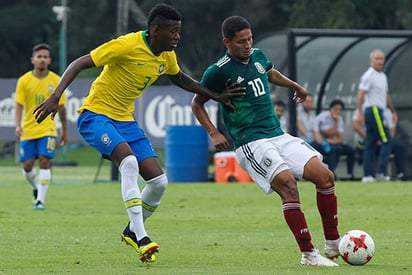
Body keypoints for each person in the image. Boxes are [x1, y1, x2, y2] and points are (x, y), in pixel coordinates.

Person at [33, 4, 244, 263]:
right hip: (95, 116)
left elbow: (181, 79)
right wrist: (56, 96)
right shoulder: (126, 45)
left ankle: (131, 230)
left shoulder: (166, 55)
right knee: (129, 162)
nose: (178, 37)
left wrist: (216, 96)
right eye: (173, 31)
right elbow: (79, 63)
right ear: (156, 30)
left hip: (125, 121)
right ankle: (142, 237)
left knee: (159, 183)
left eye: (179, 31)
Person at [191, 15, 340, 267]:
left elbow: (269, 73)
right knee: (288, 186)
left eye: (249, 39)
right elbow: (197, 103)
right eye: (241, 41)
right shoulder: (217, 71)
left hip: (277, 134)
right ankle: (309, 255)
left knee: (325, 175)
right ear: (227, 42)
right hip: (250, 141)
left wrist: (296, 86)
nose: (247, 45)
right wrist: (214, 133)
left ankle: (334, 244)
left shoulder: (258, 55)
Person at [15, 43, 67, 210]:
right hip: (28, 130)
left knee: (45, 161)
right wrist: (18, 125)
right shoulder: (24, 81)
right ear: (33, 60)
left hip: (48, 130)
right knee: (27, 166)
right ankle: (37, 188)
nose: (42, 60)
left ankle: (40, 201)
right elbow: (19, 105)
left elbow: (61, 107)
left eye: (45, 57)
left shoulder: (56, 80)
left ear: (49, 60)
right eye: (39, 57)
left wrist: (65, 130)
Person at [356, 49, 397, 183]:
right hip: (373, 110)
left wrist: (392, 111)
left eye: (382, 59)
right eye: (377, 59)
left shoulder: (383, 76)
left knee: (370, 143)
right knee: (387, 141)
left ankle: (368, 175)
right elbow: (361, 95)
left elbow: (386, 96)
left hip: (379, 110)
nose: (380, 61)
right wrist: (359, 112)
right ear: (371, 61)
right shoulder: (368, 76)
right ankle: (381, 172)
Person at [352, 108, 406, 181]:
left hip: (383, 141)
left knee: (397, 145)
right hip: (368, 141)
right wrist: (373, 139)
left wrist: (382, 139)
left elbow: (391, 132)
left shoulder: (388, 111)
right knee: (370, 145)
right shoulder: (364, 110)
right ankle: (369, 174)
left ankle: (399, 173)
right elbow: (356, 126)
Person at [313, 99, 355, 180]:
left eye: (340, 110)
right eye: (335, 109)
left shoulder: (339, 119)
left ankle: (350, 174)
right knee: (335, 149)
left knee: (351, 150)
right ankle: (330, 174)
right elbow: (328, 133)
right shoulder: (323, 117)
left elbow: (341, 138)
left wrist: (333, 141)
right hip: (320, 143)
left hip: (333, 143)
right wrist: (336, 123)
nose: (337, 112)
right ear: (330, 109)